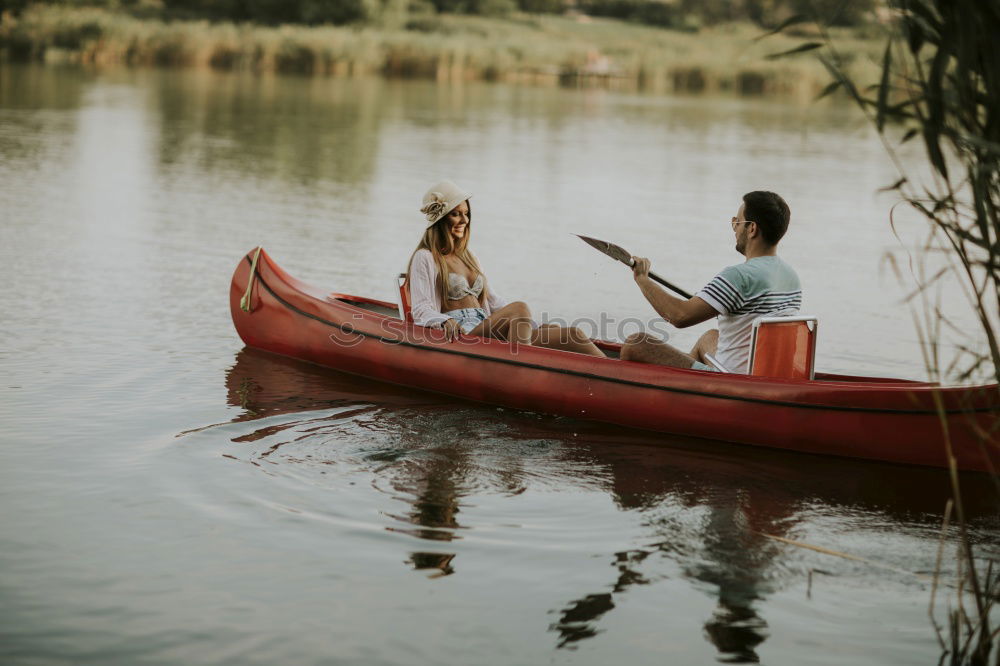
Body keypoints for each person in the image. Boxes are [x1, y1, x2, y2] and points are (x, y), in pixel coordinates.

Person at [407, 179, 605, 357]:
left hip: (486, 326)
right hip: (462, 334)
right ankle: (522, 370)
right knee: (520, 307)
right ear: (441, 219)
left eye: (466, 214)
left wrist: (528, 323)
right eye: (456, 214)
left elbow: (494, 302)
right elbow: (421, 308)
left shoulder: (469, 257)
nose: (465, 221)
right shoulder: (425, 257)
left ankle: (615, 378)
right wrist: (442, 321)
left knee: (571, 334)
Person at [621, 191, 801, 373]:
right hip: (764, 374)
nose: (735, 229)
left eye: (737, 222)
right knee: (710, 337)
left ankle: (686, 385)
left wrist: (642, 279)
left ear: (752, 229)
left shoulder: (739, 276)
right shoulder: (791, 276)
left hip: (735, 382)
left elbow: (679, 316)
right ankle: (685, 386)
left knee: (636, 343)